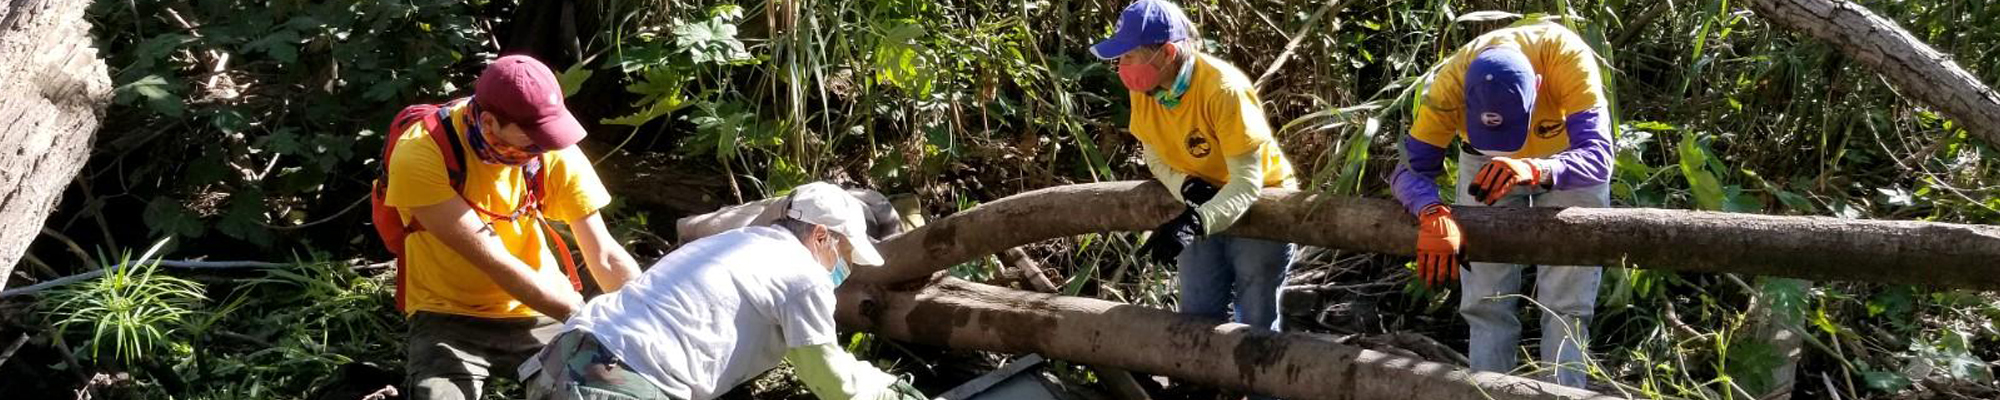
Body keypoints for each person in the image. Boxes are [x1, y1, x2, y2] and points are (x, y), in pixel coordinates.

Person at [381, 54, 643, 399]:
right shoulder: (422, 152)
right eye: (533, 139)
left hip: (540, 309)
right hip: (447, 316)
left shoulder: (550, 149)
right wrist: (582, 318)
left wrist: (642, 320)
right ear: (489, 123)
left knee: (626, 391)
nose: (544, 148)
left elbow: (605, 254)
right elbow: (495, 261)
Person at [520, 182, 924, 400]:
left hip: (561, 360)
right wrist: (888, 392)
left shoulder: (730, 244)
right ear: (822, 236)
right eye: (847, 251)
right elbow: (829, 381)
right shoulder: (803, 275)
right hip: (616, 383)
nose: (847, 265)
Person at [1388, 22, 1614, 388]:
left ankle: (1563, 393)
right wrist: (1430, 211)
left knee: (1566, 304)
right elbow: (1408, 171)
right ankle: (1488, 391)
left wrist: (1537, 168)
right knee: (1485, 301)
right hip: (1481, 162)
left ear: (1538, 86)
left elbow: (1599, 157)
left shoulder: (1566, 58)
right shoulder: (1451, 84)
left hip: (1566, 161)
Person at [1092, 0, 1299, 334]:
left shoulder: (1223, 90)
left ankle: (1257, 387)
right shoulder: (1144, 89)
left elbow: (1247, 184)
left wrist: (1192, 225)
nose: (1121, 66)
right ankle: (1200, 386)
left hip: (1264, 203)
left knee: (1256, 321)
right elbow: (1154, 156)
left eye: (1129, 56)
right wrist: (1186, 187)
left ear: (1168, 54)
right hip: (1200, 200)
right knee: (1196, 313)